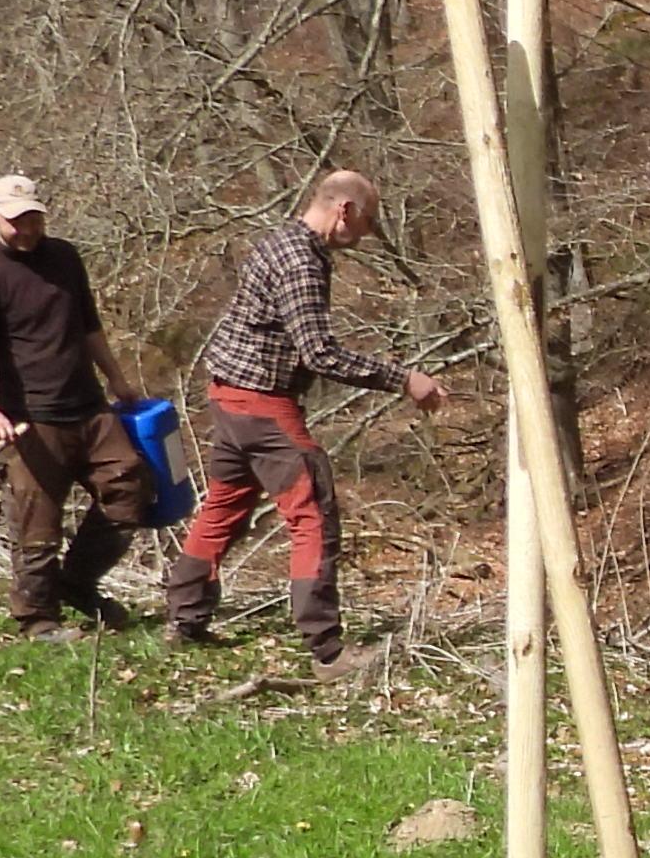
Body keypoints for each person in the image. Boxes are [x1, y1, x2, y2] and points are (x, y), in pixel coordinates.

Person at [160, 170, 450, 663]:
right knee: (313, 512)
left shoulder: (281, 242)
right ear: (345, 211)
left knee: (224, 506)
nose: (366, 234)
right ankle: (328, 649)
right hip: (261, 404)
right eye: (367, 221)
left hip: (227, 398)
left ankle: (183, 618)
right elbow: (319, 353)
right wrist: (405, 379)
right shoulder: (301, 261)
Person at [0, 174, 150, 636]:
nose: (27, 229)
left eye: (34, 218)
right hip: (32, 419)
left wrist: (116, 378)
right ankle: (37, 618)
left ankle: (76, 583)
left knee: (130, 490)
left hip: (90, 408)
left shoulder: (65, 257)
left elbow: (89, 325)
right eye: (16, 221)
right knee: (37, 526)